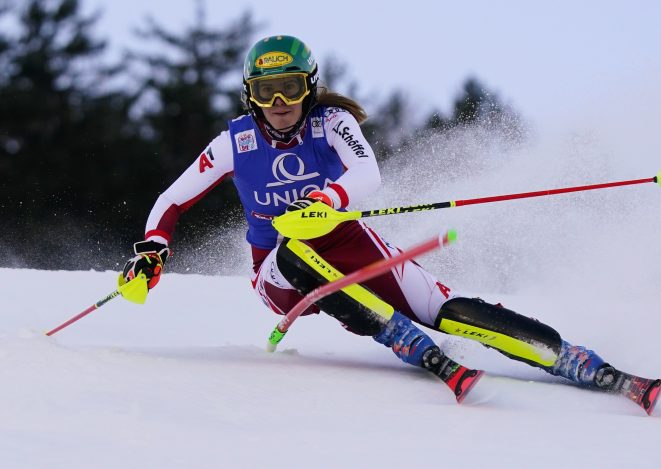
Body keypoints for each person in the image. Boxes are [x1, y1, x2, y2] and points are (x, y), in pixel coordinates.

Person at [120, 35, 632, 401]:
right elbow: (171, 200)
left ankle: (578, 362)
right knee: (295, 251)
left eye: (292, 88)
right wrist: (153, 248)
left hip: (350, 244)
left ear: (310, 88)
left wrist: (328, 199)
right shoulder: (236, 143)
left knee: (451, 309)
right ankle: (405, 342)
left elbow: (367, 172)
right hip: (279, 274)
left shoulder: (332, 123)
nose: (280, 103)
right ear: (249, 95)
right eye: (266, 91)